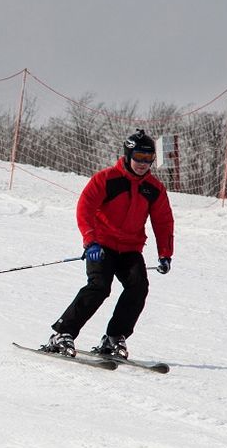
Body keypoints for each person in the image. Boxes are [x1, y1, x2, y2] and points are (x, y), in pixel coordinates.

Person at [42, 129, 174, 359]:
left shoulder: (153, 188)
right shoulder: (106, 179)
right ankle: (62, 333)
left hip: (131, 249)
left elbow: (163, 222)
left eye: (148, 159)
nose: (143, 164)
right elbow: (85, 208)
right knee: (100, 286)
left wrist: (165, 254)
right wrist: (90, 241)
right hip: (101, 246)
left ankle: (114, 337)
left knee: (138, 287)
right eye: (139, 158)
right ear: (127, 155)